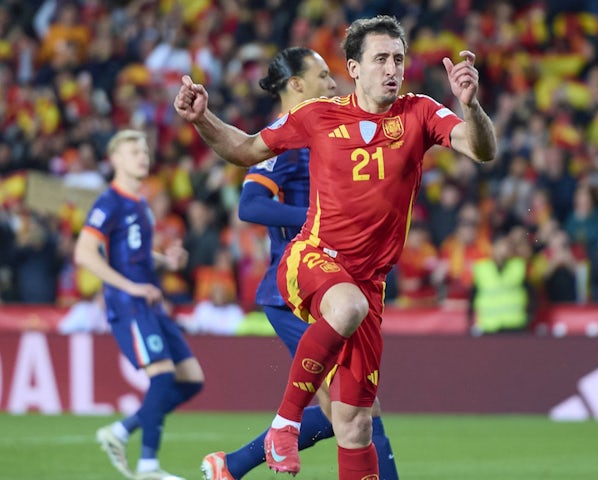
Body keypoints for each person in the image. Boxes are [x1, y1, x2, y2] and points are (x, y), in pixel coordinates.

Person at [174, 15, 496, 479]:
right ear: (354, 67)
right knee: (345, 308)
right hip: (312, 258)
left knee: (355, 423)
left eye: (399, 60)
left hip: (370, 286)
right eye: (380, 59)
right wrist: (202, 118)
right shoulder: (318, 116)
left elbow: (481, 149)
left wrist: (471, 106)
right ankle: (283, 425)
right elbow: (245, 149)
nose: (392, 69)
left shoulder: (420, 112)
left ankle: (255, 452)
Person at [199, 47, 398, 480]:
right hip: (293, 289)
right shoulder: (284, 138)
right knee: (355, 408)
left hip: (334, 284)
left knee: (350, 408)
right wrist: (315, 218)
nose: (333, 83)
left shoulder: (326, 131)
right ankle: (236, 462)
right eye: (323, 76)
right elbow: (251, 204)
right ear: (297, 85)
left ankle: (231, 466)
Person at [74, 129, 204, 480]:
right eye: (133, 150)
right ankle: (148, 466)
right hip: (129, 304)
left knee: (191, 380)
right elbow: (84, 253)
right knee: (162, 377)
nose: (142, 156)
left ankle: (121, 431)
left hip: (150, 302)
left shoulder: (140, 203)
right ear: (115, 159)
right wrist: (129, 285)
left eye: (145, 150)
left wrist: (167, 262)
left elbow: (138, 254)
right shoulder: (109, 202)